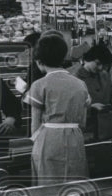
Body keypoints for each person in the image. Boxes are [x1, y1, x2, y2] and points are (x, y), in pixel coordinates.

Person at [21, 33, 90, 184]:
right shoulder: (80, 84)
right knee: (74, 182)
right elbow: (83, 120)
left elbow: (35, 123)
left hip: (49, 139)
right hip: (75, 138)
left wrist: (36, 143)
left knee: (48, 184)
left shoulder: (39, 85)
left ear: (39, 61)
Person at [71, 43, 112, 108]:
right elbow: (72, 107)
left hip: (106, 116)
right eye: (97, 63)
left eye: (104, 65)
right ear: (87, 59)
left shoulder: (105, 75)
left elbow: (111, 95)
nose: (100, 68)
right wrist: (91, 108)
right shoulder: (75, 78)